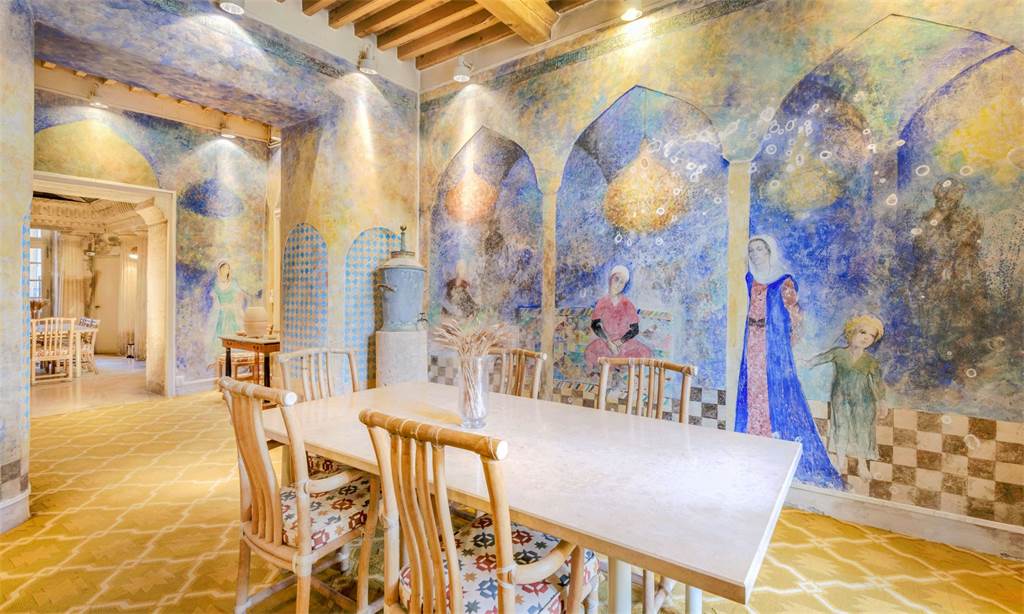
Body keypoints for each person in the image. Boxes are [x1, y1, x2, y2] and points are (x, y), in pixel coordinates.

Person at [735, 235, 843, 489]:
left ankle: (777, 446)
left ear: (770, 251)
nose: (755, 254)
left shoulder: (784, 282)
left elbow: (796, 318)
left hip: (774, 346)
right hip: (752, 343)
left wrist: (785, 344)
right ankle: (754, 442)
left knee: (777, 391)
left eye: (760, 249)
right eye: (752, 250)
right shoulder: (749, 279)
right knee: (753, 389)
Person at [807, 315, 887, 474]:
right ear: (851, 332)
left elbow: (878, 383)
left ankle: (862, 465)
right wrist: (802, 363)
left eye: (872, 335)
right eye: (863, 332)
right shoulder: (838, 353)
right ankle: (840, 461)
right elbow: (814, 361)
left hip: (864, 401)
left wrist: (882, 402)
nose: (867, 338)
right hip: (840, 398)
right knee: (840, 427)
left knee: (862, 431)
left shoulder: (871, 361)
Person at [584, 265, 651, 368]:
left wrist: (619, 343)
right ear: (610, 279)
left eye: (622, 282)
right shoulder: (602, 302)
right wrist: (610, 344)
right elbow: (595, 325)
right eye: (616, 279)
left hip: (624, 342)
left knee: (643, 354)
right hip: (606, 342)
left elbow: (634, 329)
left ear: (624, 286)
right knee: (590, 353)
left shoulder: (627, 304)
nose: (618, 284)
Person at [211, 260, 245, 339]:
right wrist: (218, 308)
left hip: (232, 312)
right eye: (223, 268)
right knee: (220, 332)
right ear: (219, 270)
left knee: (232, 332)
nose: (225, 270)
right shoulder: (216, 285)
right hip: (221, 313)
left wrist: (237, 310)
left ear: (229, 270)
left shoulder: (233, 283)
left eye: (227, 268)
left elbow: (239, 299)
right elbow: (215, 301)